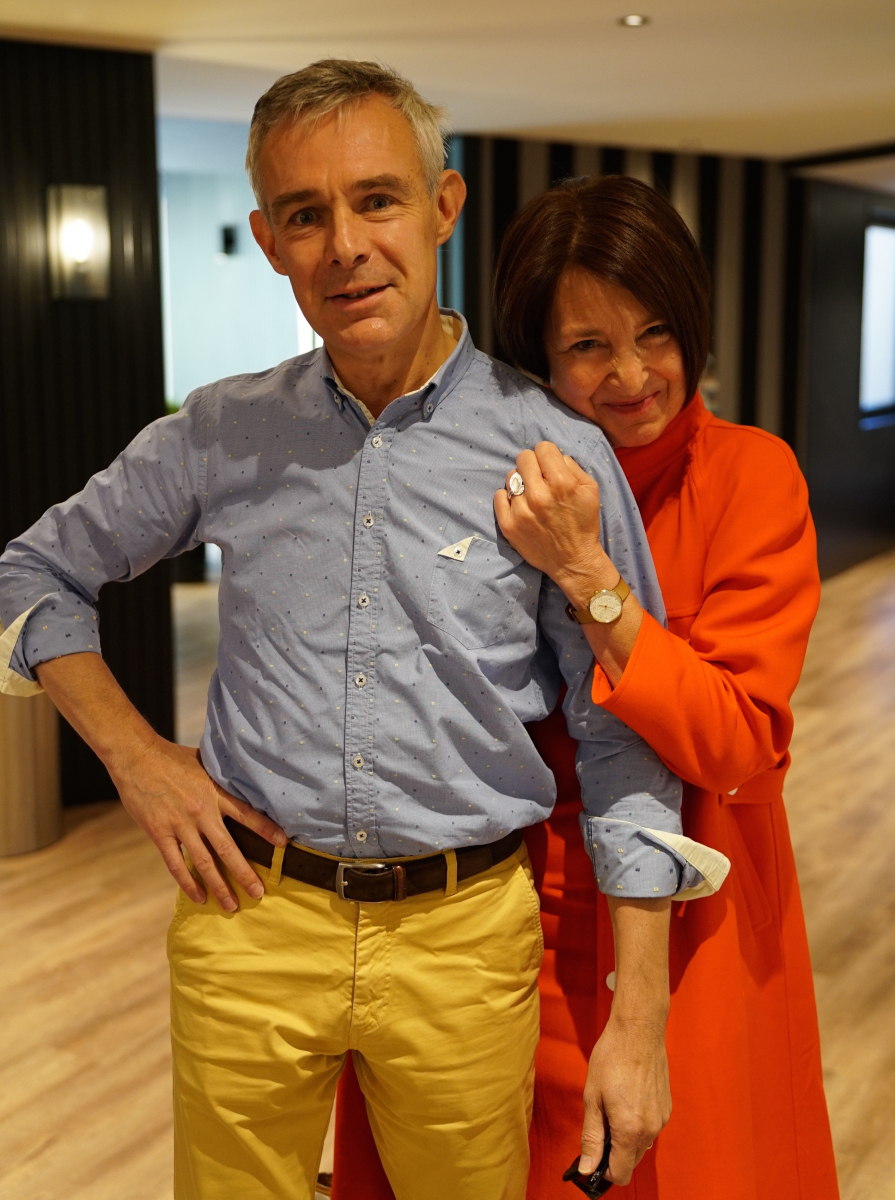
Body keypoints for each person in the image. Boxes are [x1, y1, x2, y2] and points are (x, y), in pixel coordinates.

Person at [0, 67, 727, 1200]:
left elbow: (621, 738)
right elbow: (34, 571)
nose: (345, 246)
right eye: (305, 214)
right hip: (248, 920)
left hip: (465, 941)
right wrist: (136, 761)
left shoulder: (552, 451)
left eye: (376, 200)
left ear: (443, 205)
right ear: (269, 240)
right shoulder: (222, 432)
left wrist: (639, 1026)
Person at [331, 175, 839, 1200]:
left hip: (693, 918)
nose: (634, 375)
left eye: (656, 333)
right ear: (535, 355)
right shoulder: (487, 478)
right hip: (500, 907)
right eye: (587, 346)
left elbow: (737, 742)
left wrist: (591, 579)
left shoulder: (751, 476)